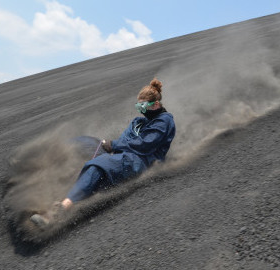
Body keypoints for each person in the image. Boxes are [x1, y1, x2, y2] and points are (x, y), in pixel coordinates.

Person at [30, 78, 176, 227]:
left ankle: (57, 213)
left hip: (140, 161)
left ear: (156, 104)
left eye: (143, 106)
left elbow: (144, 145)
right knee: (87, 142)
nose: (141, 110)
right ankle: (39, 165)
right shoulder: (138, 122)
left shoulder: (164, 121)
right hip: (123, 156)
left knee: (97, 166)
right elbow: (124, 140)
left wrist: (113, 145)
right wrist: (112, 146)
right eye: (138, 106)